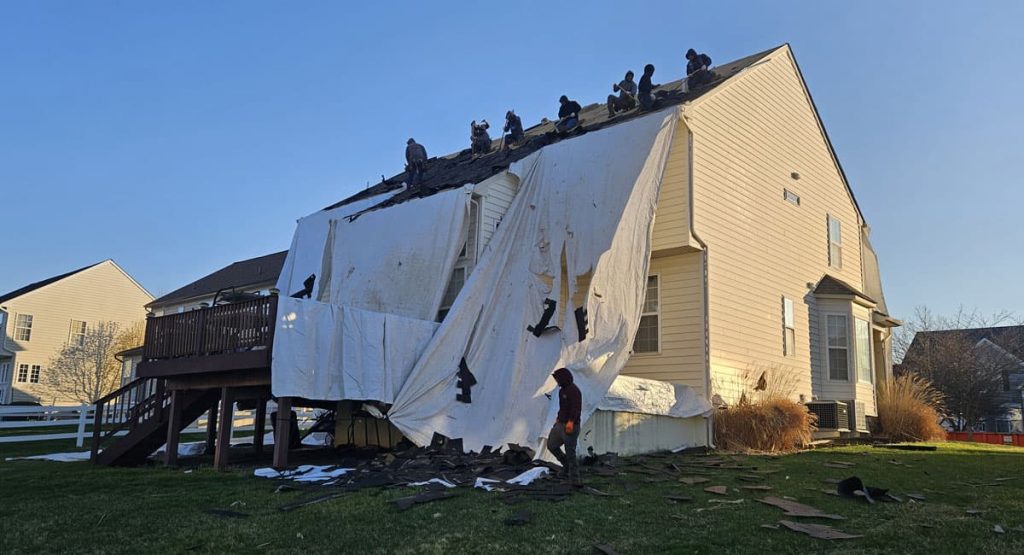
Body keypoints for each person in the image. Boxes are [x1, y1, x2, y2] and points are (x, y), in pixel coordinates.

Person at [547, 367, 582, 485]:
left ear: (563, 378)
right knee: (551, 445)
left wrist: (571, 422)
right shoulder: (562, 391)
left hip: (570, 425)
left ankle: (574, 479)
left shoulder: (574, 390)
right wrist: (558, 418)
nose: (556, 381)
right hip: (560, 424)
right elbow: (563, 407)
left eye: (557, 379)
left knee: (570, 452)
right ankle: (566, 466)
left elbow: (576, 408)